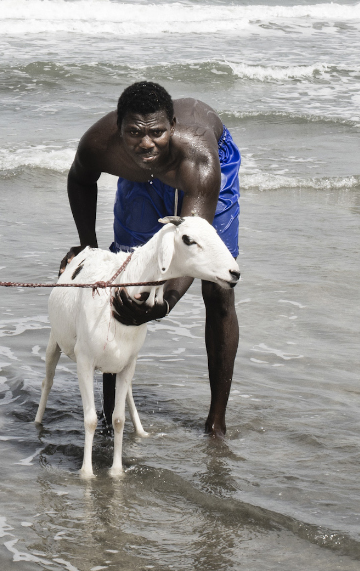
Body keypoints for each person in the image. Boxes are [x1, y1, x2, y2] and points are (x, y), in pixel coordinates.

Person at [66, 80, 241, 436]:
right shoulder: (99, 144)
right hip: (139, 179)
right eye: (134, 133)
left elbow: (192, 244)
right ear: (119, 129)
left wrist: (166, 303)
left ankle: (216, 422)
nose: (146, 143)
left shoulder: (200, 158)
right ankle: (110, 419)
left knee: (219, 287)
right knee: (124, 283)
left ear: (172, 127)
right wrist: (89, 249)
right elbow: (80, 179)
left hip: (200, 176)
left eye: (157, 132)